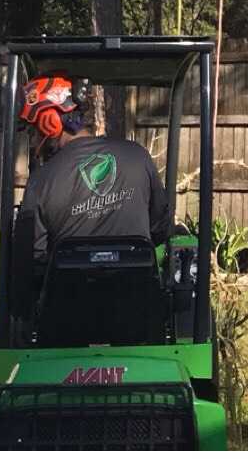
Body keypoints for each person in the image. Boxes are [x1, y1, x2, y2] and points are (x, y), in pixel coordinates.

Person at [9, 75, 170, 330]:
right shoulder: (137, 155)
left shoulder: (41, 181)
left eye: (32, 130)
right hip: (139, 317)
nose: (32, 140)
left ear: (50, 122)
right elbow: (160, 227)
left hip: (66, 324)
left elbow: (30, 260)